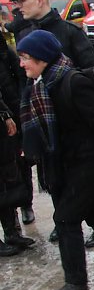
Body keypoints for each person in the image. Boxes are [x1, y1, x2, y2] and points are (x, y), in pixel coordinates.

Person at [17, 30, 94, 290]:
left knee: (65, 218)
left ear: (42, 57)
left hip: (89, 164)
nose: (22, 63)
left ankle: (76, 283)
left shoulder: (74, 82)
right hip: (64, 166)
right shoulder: (39, 86)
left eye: (26, 58)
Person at [6, 0, 94, 247]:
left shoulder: (70, 33)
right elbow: (23, 80)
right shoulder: (24, 35)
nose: (18, 8)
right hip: (45, 126)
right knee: (54, 177)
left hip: (74, 125)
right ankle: (66, 222)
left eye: (22, 1)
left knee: (86, 179)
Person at [0, 40, 35, 254]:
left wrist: (7, 113)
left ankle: (12, 232)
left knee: (7, 175)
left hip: (6, 117)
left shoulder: (4, 50)